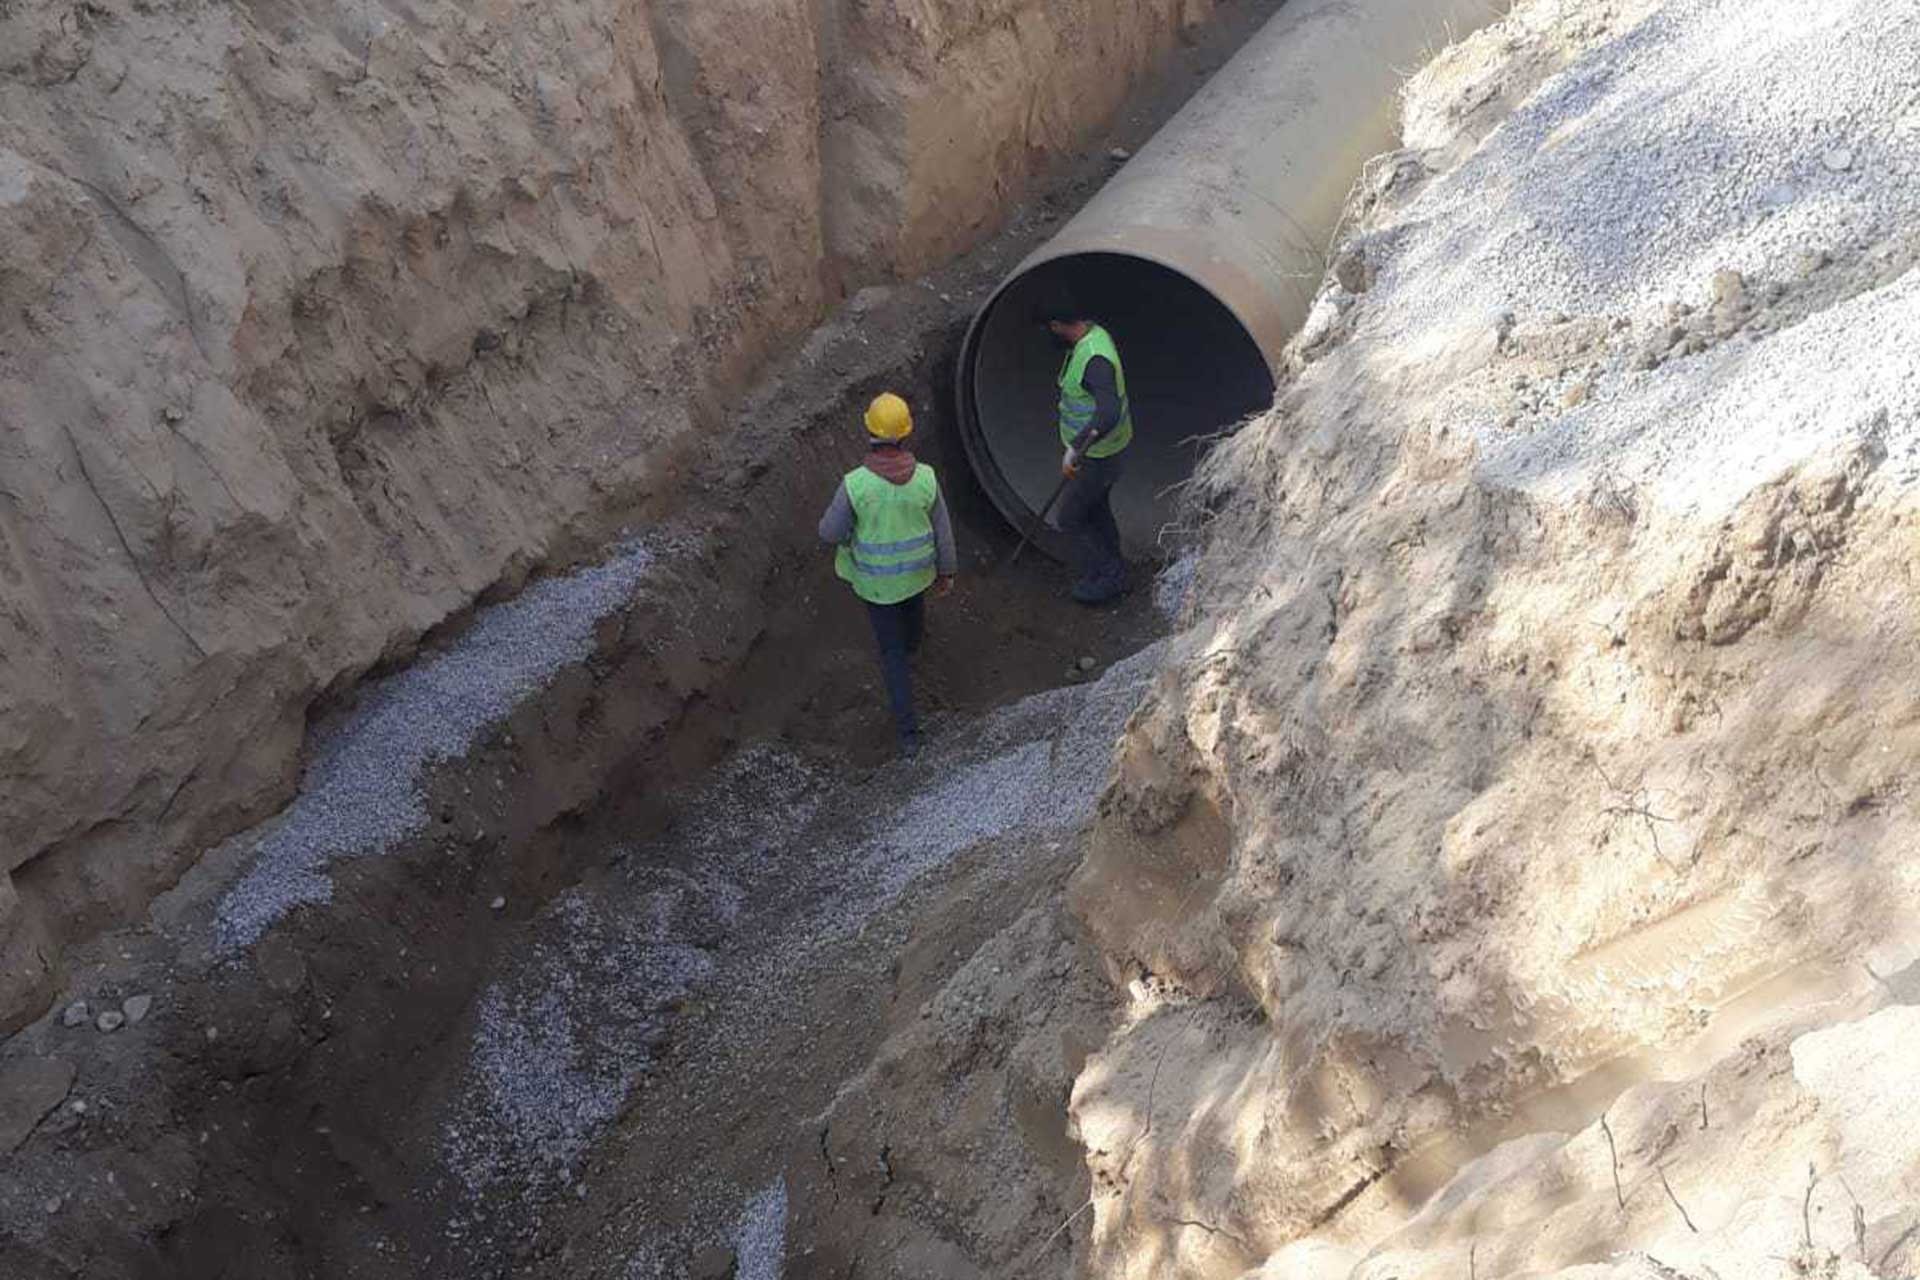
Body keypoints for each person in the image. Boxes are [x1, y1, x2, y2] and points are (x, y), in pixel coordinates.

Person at [817, 392, 957, 758]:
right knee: (911, 627)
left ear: (871, 433)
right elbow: (943, 530)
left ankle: (909, 736)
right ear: (906, 433)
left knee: (891, 655)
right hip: (917, 576)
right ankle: (914, 649)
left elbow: (829, 532)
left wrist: (851, 530)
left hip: (877, 587)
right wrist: (947, 572)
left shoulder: (856, 485)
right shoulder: (926, 477)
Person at [1034, 292, 1133, 604]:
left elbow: (1108, 412)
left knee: (1072, 518)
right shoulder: (1093, 335)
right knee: (1097, 511)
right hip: (1105, 451)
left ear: (1056, 325)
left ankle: (1109, 579)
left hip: (1099, 456)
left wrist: (1075, 448)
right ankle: (1114, 565)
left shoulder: (1095, 361)